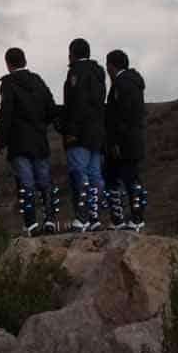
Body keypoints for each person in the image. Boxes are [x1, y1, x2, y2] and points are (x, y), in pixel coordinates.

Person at [0, 47, 61, 235]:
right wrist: (41, 125)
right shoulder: (38, 81)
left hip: (18, 141)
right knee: (45, 183)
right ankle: (49, 220)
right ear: (24, 60)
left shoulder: (8, 84)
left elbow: (6, 112)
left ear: (8, 64)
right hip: (39, 140)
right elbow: (51, 108)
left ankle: (31, 224)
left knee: (26, 184)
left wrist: (1, 140)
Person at [58, 38, 107, 231]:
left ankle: (82, 217)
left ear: (73, 53)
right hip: (96, 133)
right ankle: (94, 217)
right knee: (95, 175)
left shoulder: (76, 72)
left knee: (79, 174)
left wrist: (71, 130)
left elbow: (76, 102)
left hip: (79, 133)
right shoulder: (99, 72)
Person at [104, 49, 148, 231]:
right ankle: (119, 219)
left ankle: (137, 219)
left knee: (131, 180)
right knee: (114, 178)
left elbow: (122, 115)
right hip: (132, 138)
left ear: (111, 66)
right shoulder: (131, 82)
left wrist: (115, 142)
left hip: (125, 141)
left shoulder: (122, 84)